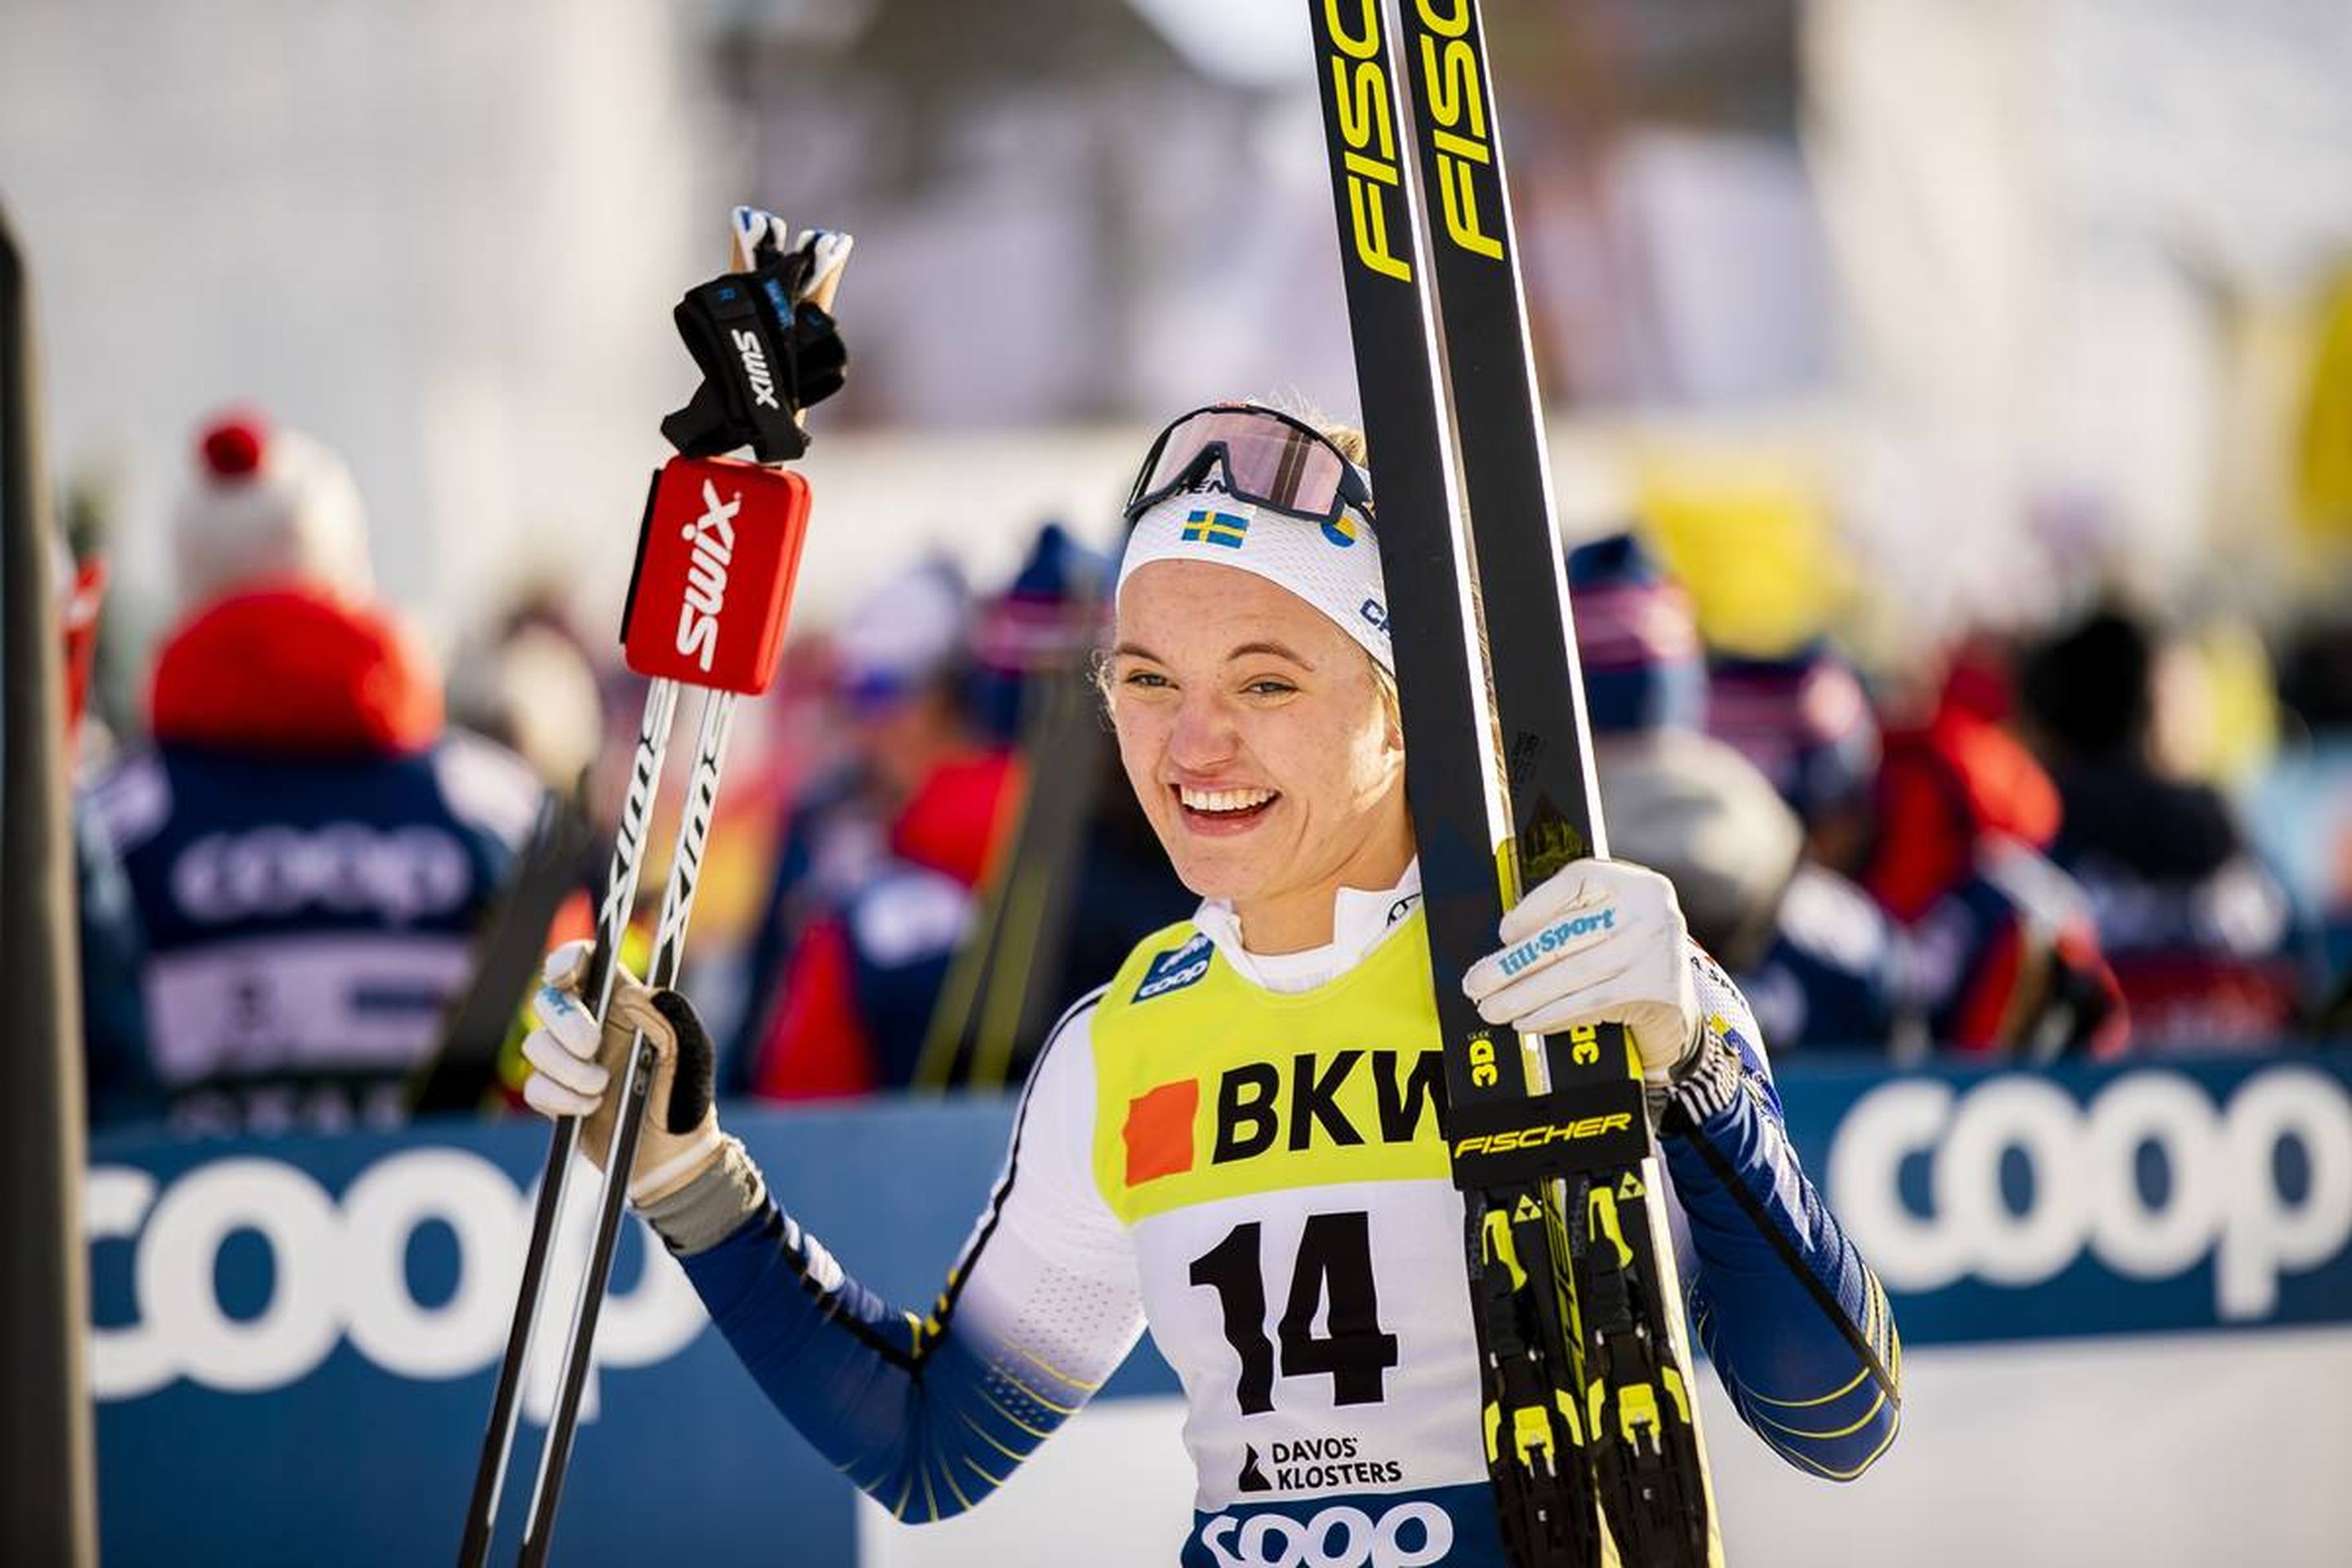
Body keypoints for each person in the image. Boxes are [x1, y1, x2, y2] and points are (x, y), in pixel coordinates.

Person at [523, 403, 1901, 1561]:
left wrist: (1697, 1077)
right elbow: (930, 1446)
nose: (1193, 745)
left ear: (1408, 702)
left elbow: (1835, 1414)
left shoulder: (1577, 966)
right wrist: (680, 1169)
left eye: (1266, 683)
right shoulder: (1125, 1041)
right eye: (1145, 678)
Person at [79, 410, 542, 1132]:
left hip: (174, 1240)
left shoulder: (99, 830)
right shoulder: (506, 812)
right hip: (474, 1238)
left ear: (187, 586)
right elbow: (596, 1074)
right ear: (350, 571)